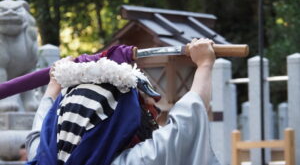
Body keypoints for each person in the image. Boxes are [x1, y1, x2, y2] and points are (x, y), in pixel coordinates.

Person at [25, 38, 221, 165]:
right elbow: (186, 123)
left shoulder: (43, 156)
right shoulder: (136, 161)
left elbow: (40, 130)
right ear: (116, 124)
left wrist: (53, 86)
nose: (153, 108)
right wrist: (204, 64)